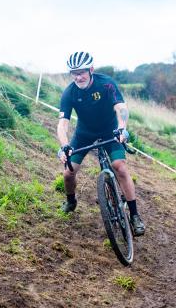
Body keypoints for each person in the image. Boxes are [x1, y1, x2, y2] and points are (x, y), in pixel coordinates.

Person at [57, 51, 145, 236]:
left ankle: (135, 215)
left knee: (119, 167)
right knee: (68, 173)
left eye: (81, 72)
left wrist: (122, 128)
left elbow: (121, 108)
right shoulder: (69, 93)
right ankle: (71, 201)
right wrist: (65, 145)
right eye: (74, 73)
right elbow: (62, 124)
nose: (78, 77)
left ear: (91, 70)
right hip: (84, 133)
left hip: (109, 129)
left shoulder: (105, 83)